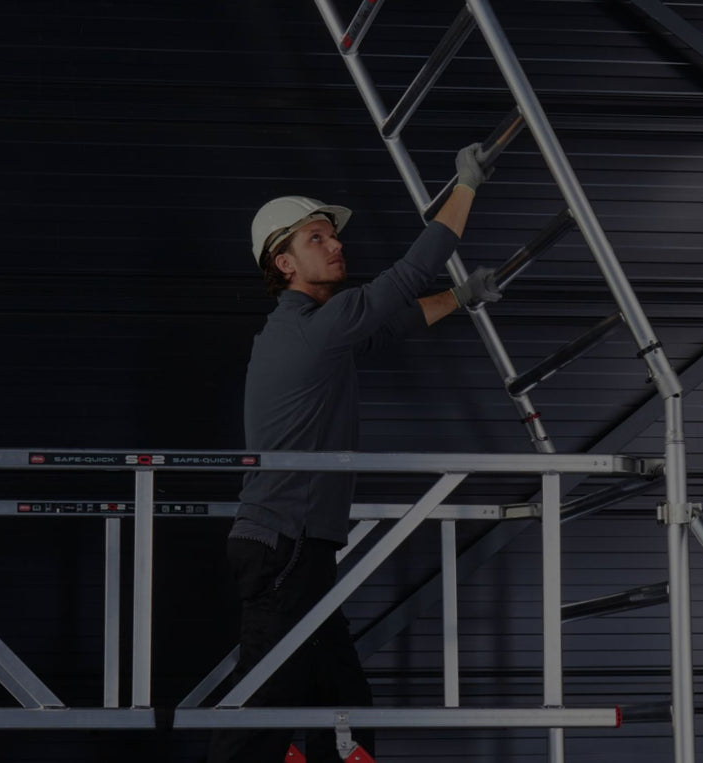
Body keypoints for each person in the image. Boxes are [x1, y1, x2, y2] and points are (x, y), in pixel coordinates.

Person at [207, 144, 502, 763]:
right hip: (285, 546)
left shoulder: (315, 331)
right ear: (283, 262)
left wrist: (463, 298)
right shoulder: (314, 330)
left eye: (333, 237)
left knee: (337, 698)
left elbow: (392, 321)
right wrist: (466, 187)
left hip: (296, 547)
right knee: (265, 702)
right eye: (318, 238)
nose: (336, 245)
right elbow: (406, 279)